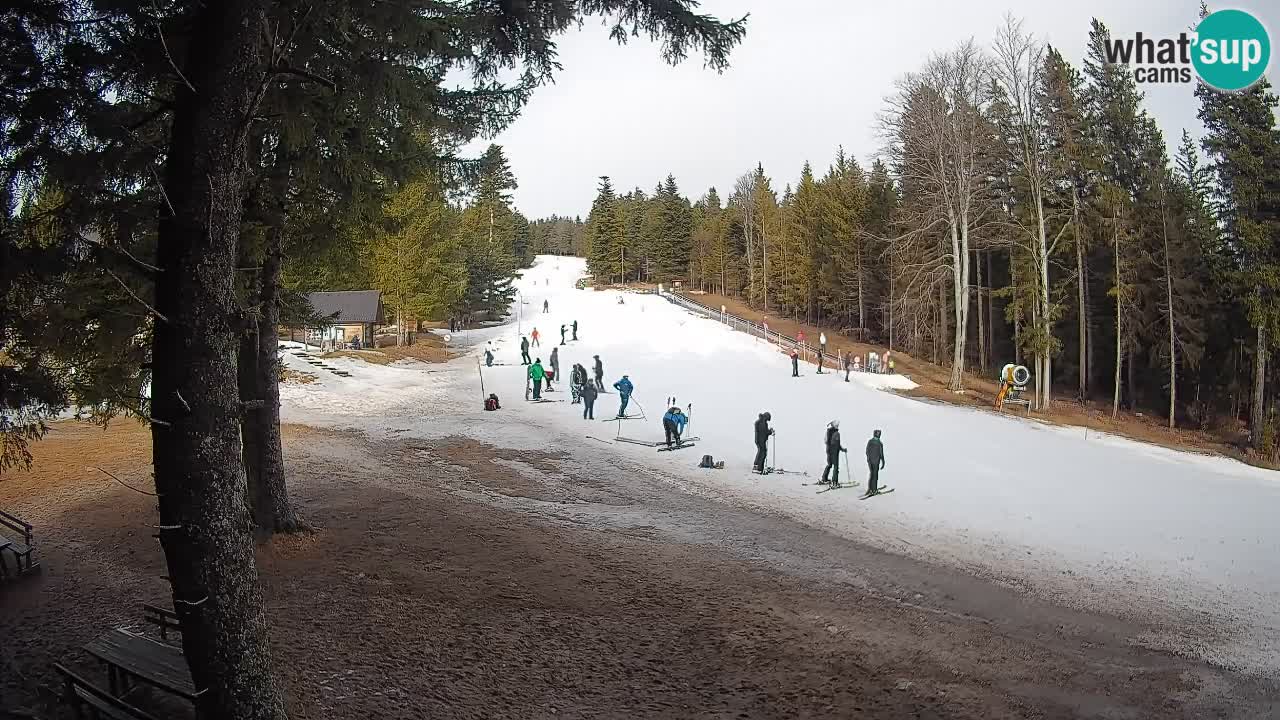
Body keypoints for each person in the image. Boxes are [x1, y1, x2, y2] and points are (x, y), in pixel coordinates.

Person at [820, 420, 845, 487]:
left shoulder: (828, 432)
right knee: (836, 467)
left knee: (829, 464)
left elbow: (826, 441)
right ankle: (835, 482)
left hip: (828, 450)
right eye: (837, 425)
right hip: (834, 452)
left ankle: (824, 478)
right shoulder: (836, 433)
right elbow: (836, 444)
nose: (838, 426)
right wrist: (842, 449)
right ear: (835, 425)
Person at [865, 429, 886, 495]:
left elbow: (867, 451)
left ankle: (870, 489)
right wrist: (883, 462)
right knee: (875, 476)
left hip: (870, 461)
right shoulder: (879, 443)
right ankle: (874, 490)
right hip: (876, 462)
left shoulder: (870, 441)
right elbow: (881, 454)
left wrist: (868, 459)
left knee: (871, 474)